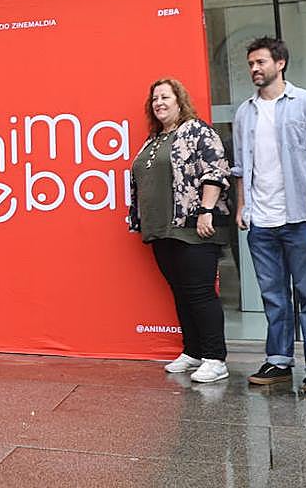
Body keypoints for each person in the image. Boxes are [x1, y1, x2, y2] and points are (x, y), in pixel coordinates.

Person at [231, 36, 306, 393]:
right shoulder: (245, 111)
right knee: (273, 296)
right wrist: (243, 206)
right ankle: (279, 361)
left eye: (260, 62)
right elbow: (241, 167)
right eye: (251, 64)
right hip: (262, 220)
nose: (255, 69)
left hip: (301, 215)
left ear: (280, 63)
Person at [129, 77, 232, 384]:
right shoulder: (154, 139)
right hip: (162, 229)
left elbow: (215, 172)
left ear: (179, 101)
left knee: (200, 293)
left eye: (165, 97)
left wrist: (206, 211)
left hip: (193, 226)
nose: (159, 103)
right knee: (181, 292)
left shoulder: (197, 131)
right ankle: (193, 350)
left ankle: (215, 358)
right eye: (155, 99)